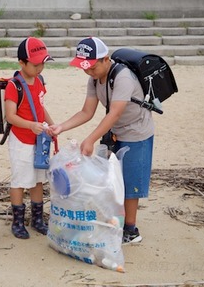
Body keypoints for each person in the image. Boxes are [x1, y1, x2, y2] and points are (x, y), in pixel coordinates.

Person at [49, 37, 154, 244]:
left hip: (136, 132)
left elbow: (114, 113)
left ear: (106, 59)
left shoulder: (123, 77)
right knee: (111, 178)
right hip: (114, 132)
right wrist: (61, 126)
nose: (88, 72)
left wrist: (90, 139)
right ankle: (114, 219)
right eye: (85, 68)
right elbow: (86, 112)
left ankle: (130, 230)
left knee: (131, 181)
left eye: (92, 67)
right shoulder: (94, 78)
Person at [4, 37, 55, 239]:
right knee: (19, 180)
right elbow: (10, 116)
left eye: (43, 63)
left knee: (38, 179)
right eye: (35, 64)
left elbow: (40, 107)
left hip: (39, 139)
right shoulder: (14, 85)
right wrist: (31, 125)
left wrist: (51, 125)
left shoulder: (40, 81)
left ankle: (37, 220)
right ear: (22, 63)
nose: (40, 68)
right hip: (21, 140)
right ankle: (17, 222)